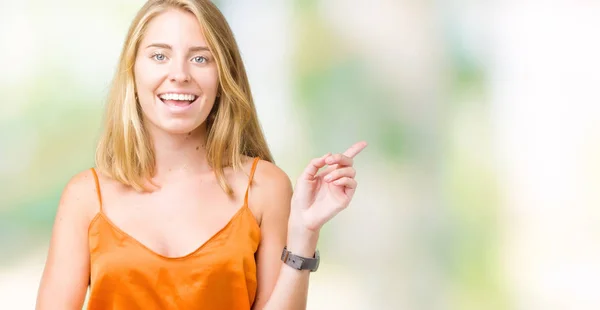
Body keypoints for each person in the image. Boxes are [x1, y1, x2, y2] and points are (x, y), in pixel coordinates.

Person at [35, 0, 366, 309]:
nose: (180, 74)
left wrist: (304, 233)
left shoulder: (265, 187)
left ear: (223, 75)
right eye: (159, 56)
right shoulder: (85, 197)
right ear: (132, 71)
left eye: (200, 58)